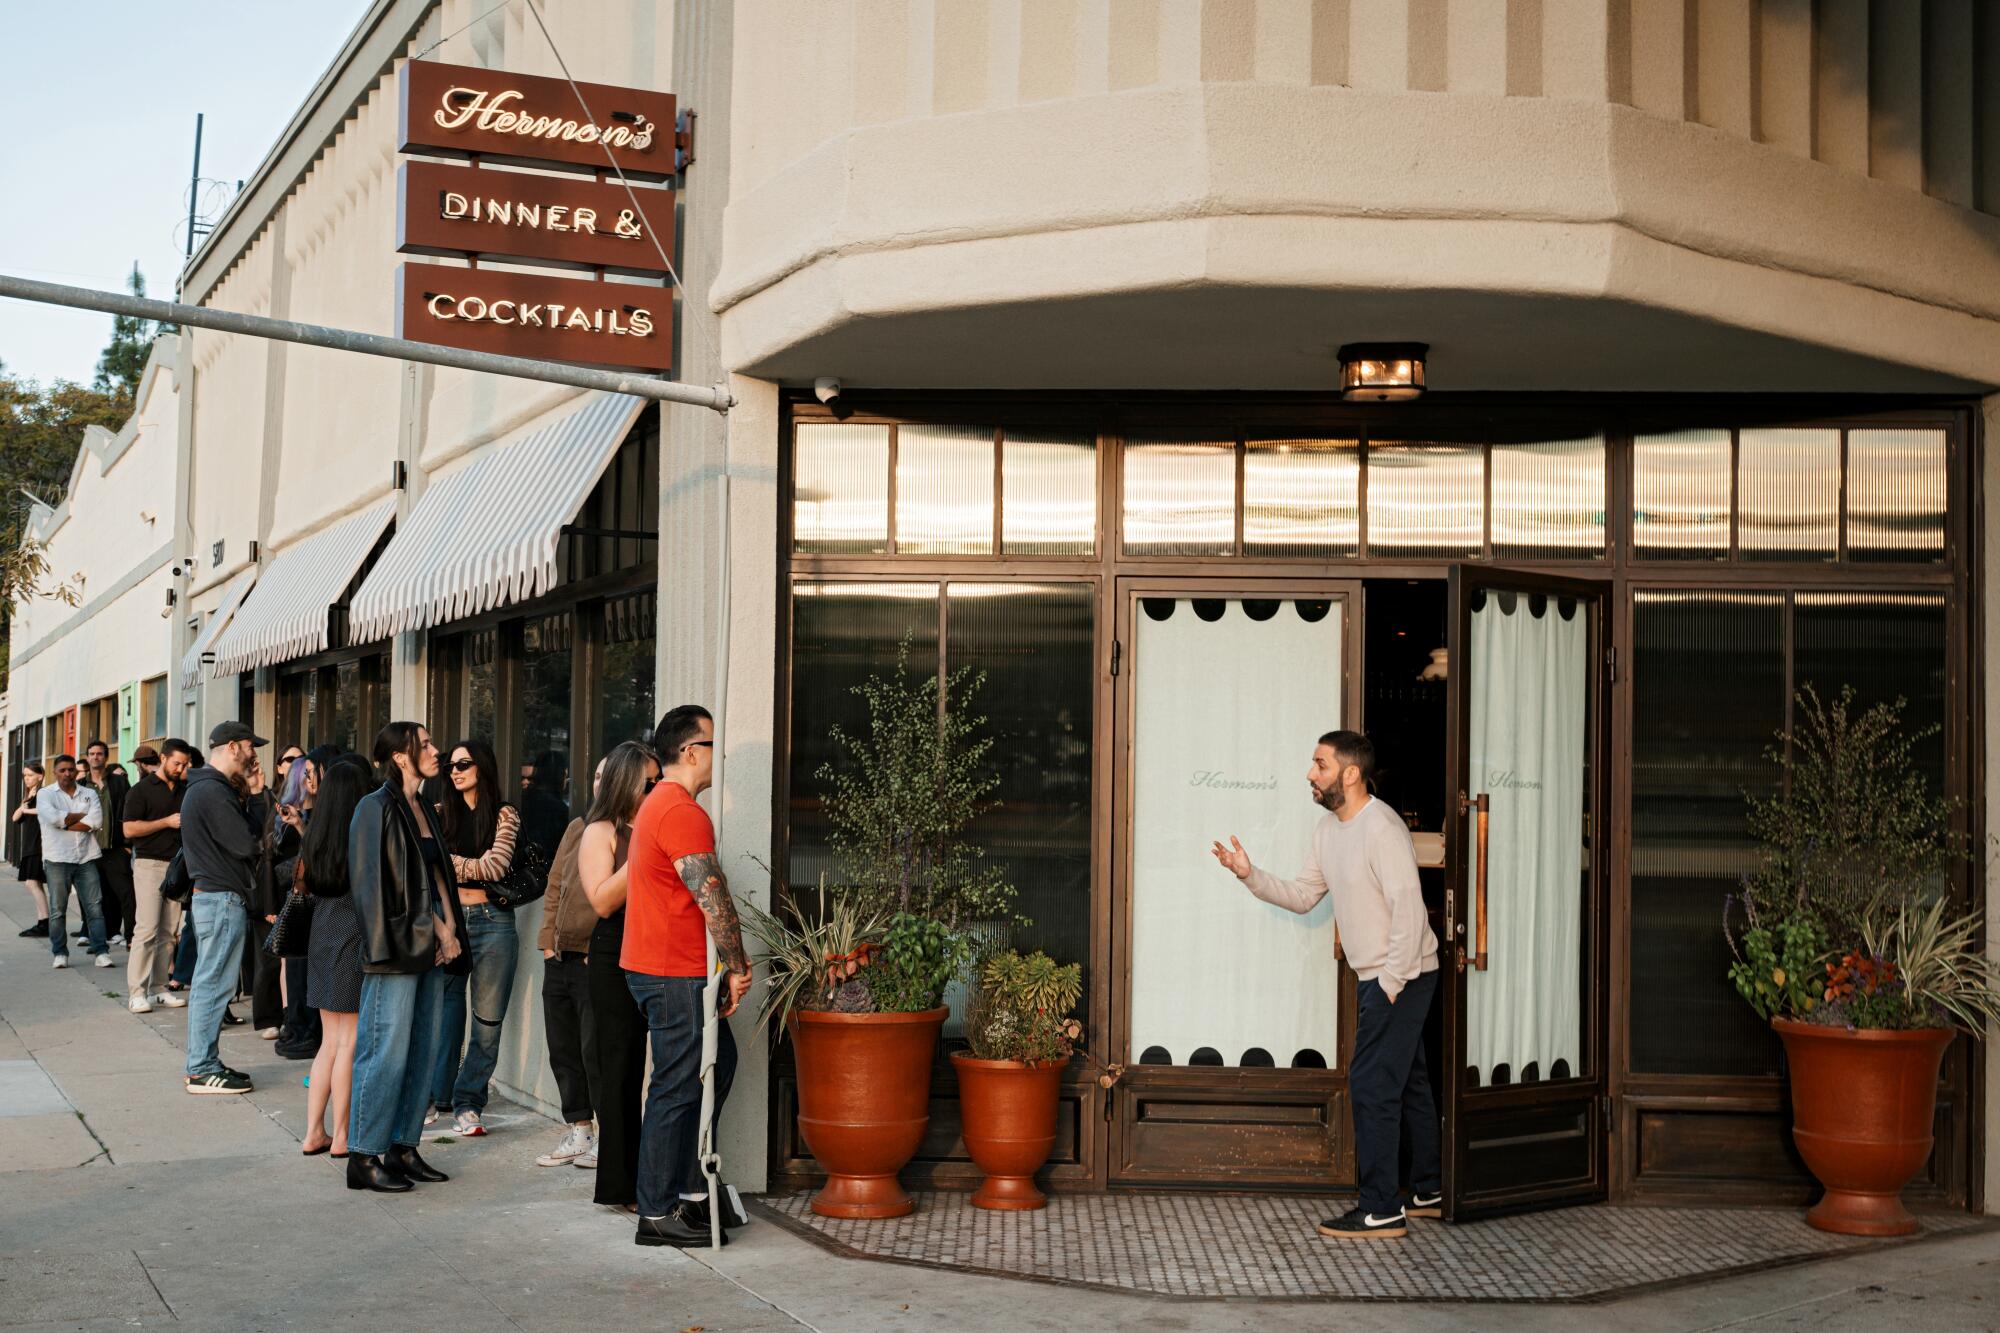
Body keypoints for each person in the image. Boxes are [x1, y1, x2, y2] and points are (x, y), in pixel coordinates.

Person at [1211, 729, 1441, 1241]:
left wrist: (1390, 983)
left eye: (1320, 764)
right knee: (1409, 1081)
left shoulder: (1382, 828)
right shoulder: (1328, 831)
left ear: (1351, 773)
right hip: (1385, 974)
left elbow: (1408, 908)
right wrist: (1250, 874)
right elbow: (1302, 895)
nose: (1310, 774)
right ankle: (1428, 1188)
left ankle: (1382, 1207)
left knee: (1372, 1084)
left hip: (1400, 974)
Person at [623, 706, 751, 1247]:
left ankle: (687, 1191)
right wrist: (739, 968)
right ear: (690, 751)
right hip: (671, 973)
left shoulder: (663, 805)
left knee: (714, 1069)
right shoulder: (680, 811)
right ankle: (656, 1212)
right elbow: (712, 897)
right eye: (712, 744)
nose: (716, 754)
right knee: (677, 1086)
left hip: (668, 969)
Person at [345, 721, 465, 1193]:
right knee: (385, 1052)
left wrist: (450, 926)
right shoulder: (373, 808)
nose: (437, 750)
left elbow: (434, 873)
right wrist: (436, 929)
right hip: (396, 944)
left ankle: (402, 1145)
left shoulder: (423, 807)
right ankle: (364, 1153)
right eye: (427, 744)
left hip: (432, 939)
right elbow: (370, 885)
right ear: (400, 756)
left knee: (423, 1049)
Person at [574, 742, 661, 1204]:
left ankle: (659, 1174)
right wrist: (644, 846)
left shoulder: (659, 823)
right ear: (628, 783)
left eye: (659, 780)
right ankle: (619, 1185)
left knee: (666, 1071)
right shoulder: (601, 831)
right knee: (621, 1069)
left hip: (659, 950)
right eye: (650, 782)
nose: (658, 789)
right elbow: (603, 900)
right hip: (614, 955)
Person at [429, 739, 522, 1137]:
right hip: (449, 922)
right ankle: (436, 1096)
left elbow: (496, 866)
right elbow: (425, 862)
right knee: (444, 1017)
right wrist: (469, 867)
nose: (455, 770)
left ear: (482, 766)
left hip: (493, 921)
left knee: (487, 1022)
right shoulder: (437, 813)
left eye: (463, 763)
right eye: (450, 765)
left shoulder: (505, 814)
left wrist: (447, 863)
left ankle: (469, 1102)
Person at [180, 723, 268, 1093]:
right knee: (213, 984)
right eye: (250, 747)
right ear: (233, 747)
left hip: (216, 898)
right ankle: (201, 1068)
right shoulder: (212, 791)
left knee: (212, 983)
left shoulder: (209, 789)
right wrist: (259, 799)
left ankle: (206, 1062)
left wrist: (253, 795)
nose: (254, 754)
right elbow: (247, 845)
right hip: (220, 898)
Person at [533, 755, 610, 1172]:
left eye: (606, 774)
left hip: (592, 961)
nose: (600, 782)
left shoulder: (624, 833)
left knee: (593, 1050)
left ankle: (606, 1134)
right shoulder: (578, 828)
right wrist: (548, 943)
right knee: (563, 1049)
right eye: (595, 775)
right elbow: (555, 885)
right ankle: (580, 1128)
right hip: (559, 958)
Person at [299, 754, 375, 1158]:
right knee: (349, 1042)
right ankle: (343, 1136)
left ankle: (314, 1132)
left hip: (321, 934)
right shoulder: (360, 834)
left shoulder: (314, 833)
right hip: (352, 935)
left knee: (329, 1041)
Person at [123, 741, 192, 1013]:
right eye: (177, 763)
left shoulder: (187, 789)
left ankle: (159, 988)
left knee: (169, 931)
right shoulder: (140, 791)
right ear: (163, 759)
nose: (181, 768)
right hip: (149, 864)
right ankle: (136, 992)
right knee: (147, 929)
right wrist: (165, 822)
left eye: (185, 764)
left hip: (177, 866)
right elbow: (128, 829)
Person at [38, 754, 110, 970]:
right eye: (62, 770)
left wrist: (66, 821)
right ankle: (60, 952)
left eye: (71, 769)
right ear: (55, 772)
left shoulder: (88, 793)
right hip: (57, 858)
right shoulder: (45, 794)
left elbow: (96, 821)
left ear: (77, 772)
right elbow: (52, 819)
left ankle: (101, 951)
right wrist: (80, 817)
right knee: (58, 909)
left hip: (86, 857)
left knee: (95, 907)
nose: (67, 773)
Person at [84, 741, 136, 948]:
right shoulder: (81, 785)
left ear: (105, 757)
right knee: (95, 898)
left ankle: (132, 938)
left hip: (115, 848)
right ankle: (99, 941)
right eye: (92, 754)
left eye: (99, 754)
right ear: (87, 757)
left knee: (126, 894)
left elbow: (130, 810)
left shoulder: (119, 783)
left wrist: (127, 842)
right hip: (90, 849)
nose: (95, 757)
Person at [13, 761, 49, 938]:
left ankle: (45, 922)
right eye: (25, 776)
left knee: (32, 882)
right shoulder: (30, 795)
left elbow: (45, 811)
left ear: (40, 776)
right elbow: (15, 817)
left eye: (30, 775)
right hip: (29, 845)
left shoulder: (43, 793)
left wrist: (27, 810)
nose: (26, 779)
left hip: (38, 845)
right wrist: (24, 805)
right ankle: (42, 921)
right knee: (34, 883)